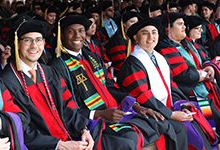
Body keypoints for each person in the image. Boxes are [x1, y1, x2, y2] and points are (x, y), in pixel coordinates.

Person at [0, 19, 139, 150]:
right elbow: (19, 127)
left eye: (39, 40)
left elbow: (68, 107)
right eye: (27, 40)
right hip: (43, 145)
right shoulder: (6, 81)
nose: (34, 45)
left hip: (71, 134)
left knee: (126, 143)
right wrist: (58, 145)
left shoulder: (49, 72)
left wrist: (83, 129)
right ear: (17, 44)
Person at [49, 14, 183, 150]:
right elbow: (65, 107)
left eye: (81, 31)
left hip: (113, 112)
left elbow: (110, 86)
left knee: (161, 123)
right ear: (61, 35)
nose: (77, 36)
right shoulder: (57, 67)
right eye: (71, 31)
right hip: (89, 122)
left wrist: (136, 105)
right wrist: (99, 114)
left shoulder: (92, 57)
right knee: (128, 140)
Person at [118, 17, 218, 150]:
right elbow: (143, 96)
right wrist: (171, 114)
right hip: (146, 111)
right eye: (145, 33)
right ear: (135, 38)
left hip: (165, 108)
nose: (150, 37)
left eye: (154, 32)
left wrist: (180, 104)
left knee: (196, 121)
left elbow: (171, 86)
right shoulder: (132, 64)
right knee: (182, 129)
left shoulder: (159, 58)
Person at [155, 12, 220, 149]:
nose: (184, 27)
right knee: (210, 124)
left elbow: (205, 58)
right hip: (191, 96)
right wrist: (202, 75)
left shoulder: (187, 43)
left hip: (204, 90)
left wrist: (209, 67)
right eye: (180, 24)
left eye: (184, 24)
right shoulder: (165, 48)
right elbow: (183, 74)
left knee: (216, 119)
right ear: (169, 28)